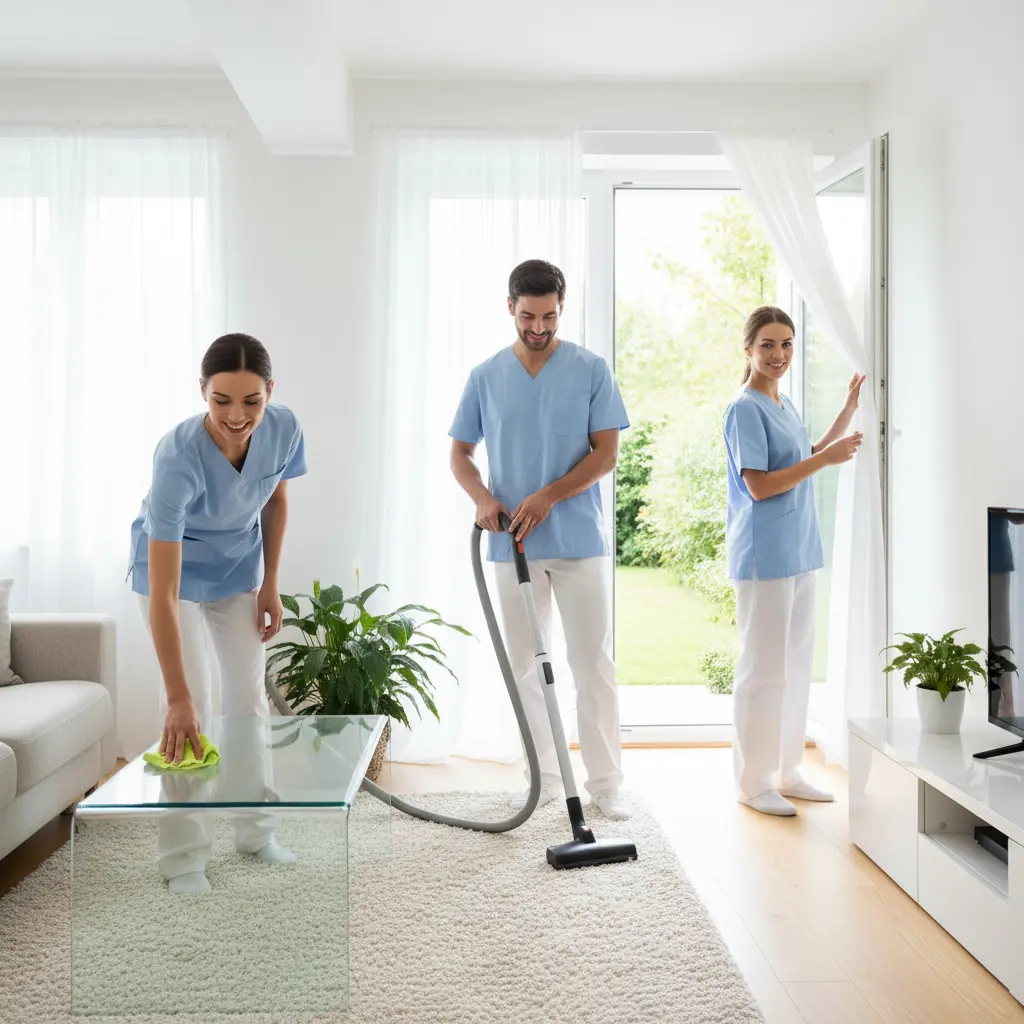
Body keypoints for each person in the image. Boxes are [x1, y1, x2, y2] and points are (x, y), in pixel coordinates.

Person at [449, 259, 632, 821]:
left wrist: (550, 495)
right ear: (510, 307)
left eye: (549, 315)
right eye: (528, 315)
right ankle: (546, 778)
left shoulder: (590, 369)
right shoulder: (485, 376)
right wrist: (482, 499)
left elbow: (606, 453)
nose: (539, 327)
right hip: (512, 545)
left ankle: (604, 783)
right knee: (526, 665)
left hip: (576, 540)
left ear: (562, 306)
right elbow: (460, 454)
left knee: (591, 661)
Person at [128, 332, 307, 892]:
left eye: (251, 401)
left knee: (247, 697)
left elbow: (275, 498)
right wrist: (177, 698)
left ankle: (257, 832)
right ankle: (183, 857)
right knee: (192, 708)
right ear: (202, 392)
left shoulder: (283, 428)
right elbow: (162, 593)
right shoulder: (177, 459)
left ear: (269, 392)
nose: (237, 416)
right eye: (221, 401)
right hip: (171, 579)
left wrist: (270, 584)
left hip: (235, 572)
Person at [723, 306, 864, 816]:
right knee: (762, 670)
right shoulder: (745, 409)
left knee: (797, 665)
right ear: (748, 349)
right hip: (765, 554)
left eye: (785, 344)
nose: (778, 354)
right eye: (767, 344)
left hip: (800, 550)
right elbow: (760, 485)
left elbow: (804, 453)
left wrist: (846, 412)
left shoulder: (783, 403)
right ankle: (752, 781)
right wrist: (824, 460)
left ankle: (786, 770)